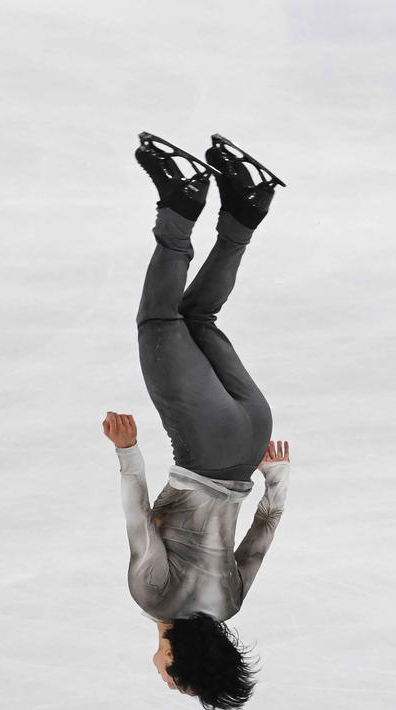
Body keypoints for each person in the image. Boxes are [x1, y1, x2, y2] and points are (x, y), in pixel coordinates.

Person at [100, 133, 292, 709]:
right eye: (177, 682)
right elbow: (138, 522)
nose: (166, 680)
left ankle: (244, 209)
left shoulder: (230, 604)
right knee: (158, 322)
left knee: (196, 314)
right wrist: (127, 452)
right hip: (203, 443)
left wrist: (276, 478)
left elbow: (260, 540)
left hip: (252, 433)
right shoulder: (154, 598)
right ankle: (181, 204)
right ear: (183, 663)